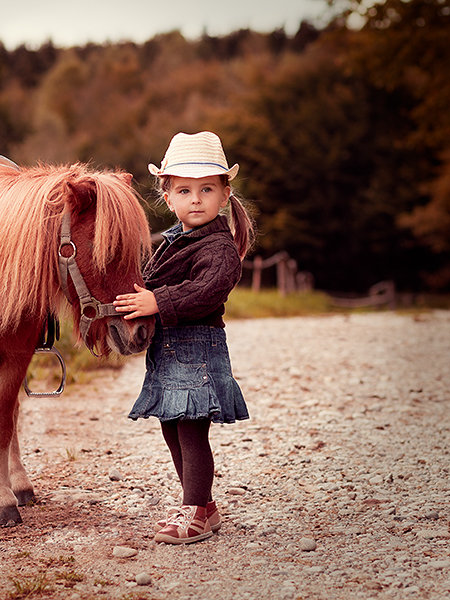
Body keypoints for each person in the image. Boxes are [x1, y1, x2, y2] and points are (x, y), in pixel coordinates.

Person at [114, 131, 255, 544]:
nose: (196, 199)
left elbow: (208, 288)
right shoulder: (177, 240)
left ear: (225, 195)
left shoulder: (219, 247)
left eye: (206, 189)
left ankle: (193, 508)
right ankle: (205, 508)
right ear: (169, 197)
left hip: (197, 349)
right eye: (185, 190)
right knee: (171, 426)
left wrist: (157, 301)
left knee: (192, 431)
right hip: (169, 351)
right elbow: (156, 277)